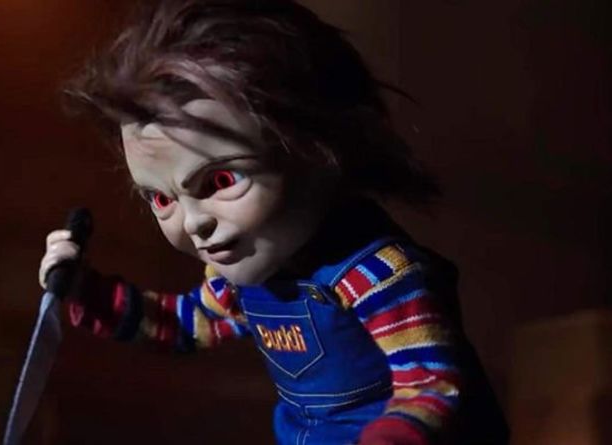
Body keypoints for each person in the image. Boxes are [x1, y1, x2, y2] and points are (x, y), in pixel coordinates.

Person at [39, 0, 509, 443]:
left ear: (317, 152)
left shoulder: (378, 276)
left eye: (221, 180)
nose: (195, 223)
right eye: (162, 199)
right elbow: (186, 324)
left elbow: (429, 383)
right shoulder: (237, 283)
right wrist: (86, 291)